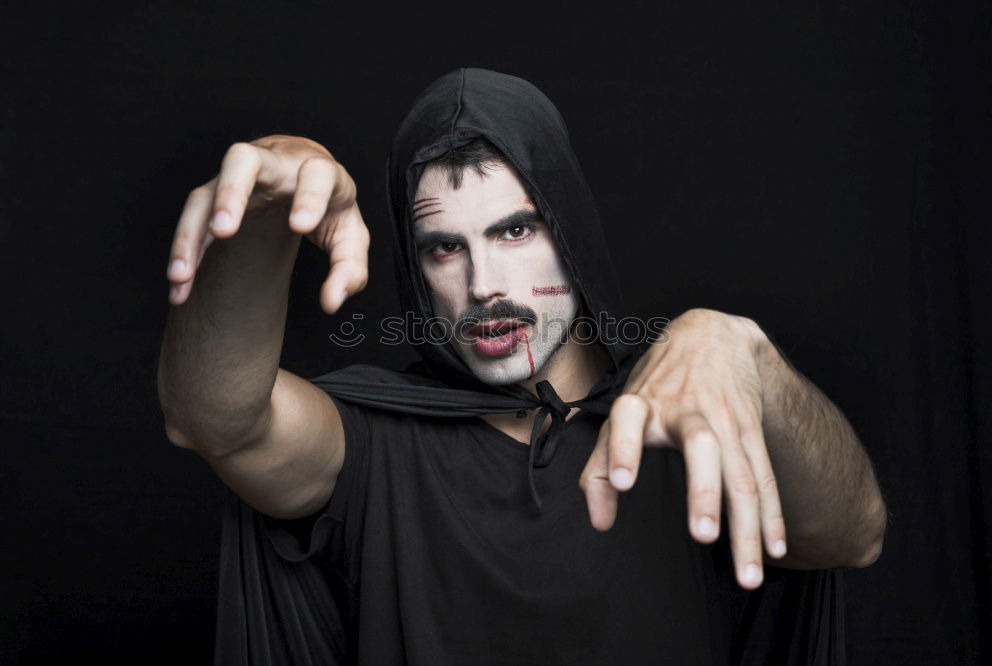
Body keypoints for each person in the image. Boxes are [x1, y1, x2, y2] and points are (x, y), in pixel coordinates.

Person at [157, 68, 886, 665]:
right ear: (415, 271)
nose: (485, 285)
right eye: (445, 246)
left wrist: (744, 352)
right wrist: (259, 223)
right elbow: (218, 420)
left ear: (568, 226)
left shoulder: (696, 404)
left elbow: (855, 535)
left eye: (515, 229)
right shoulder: (372, 444)